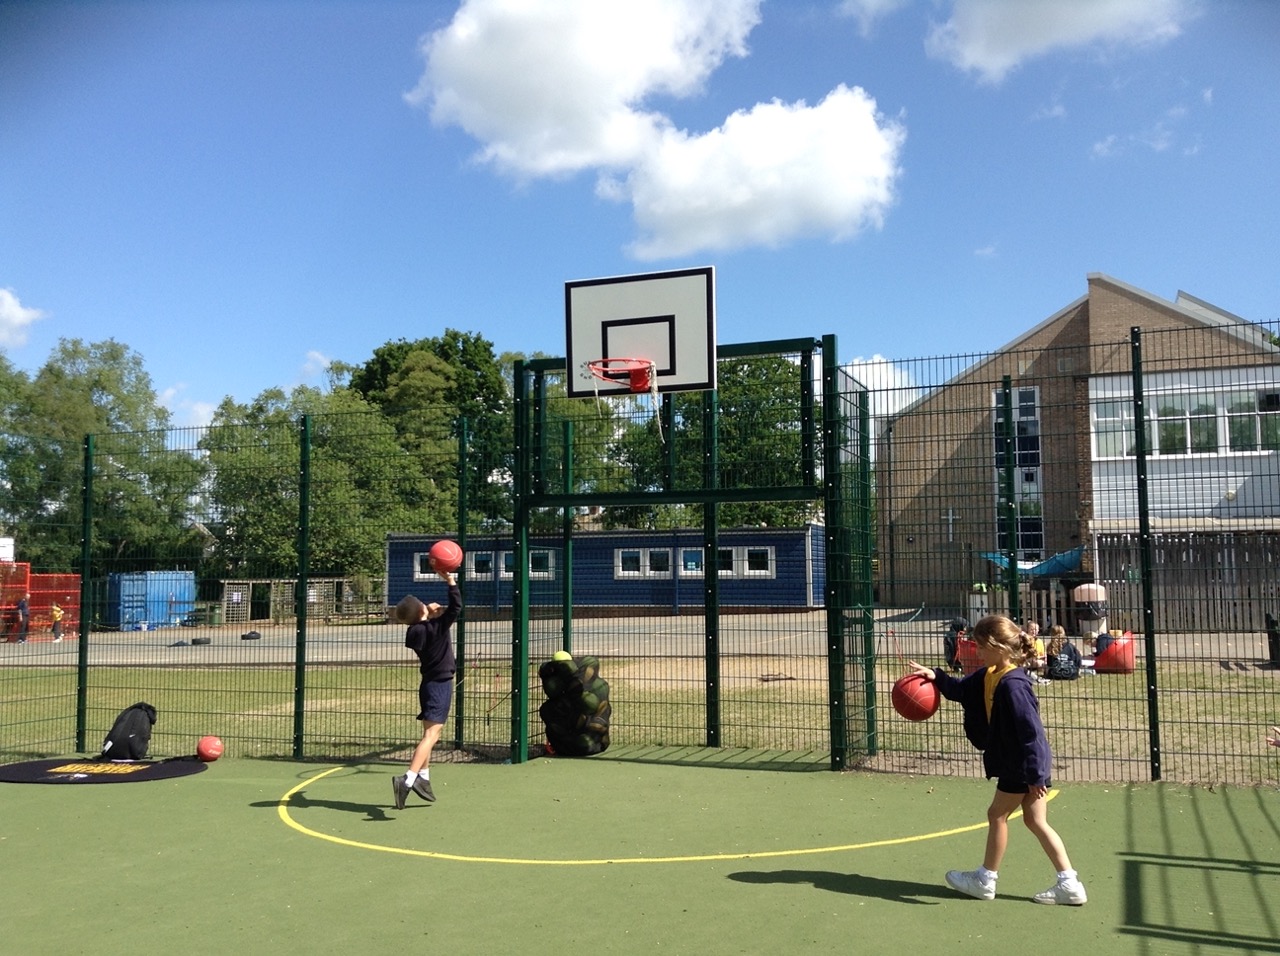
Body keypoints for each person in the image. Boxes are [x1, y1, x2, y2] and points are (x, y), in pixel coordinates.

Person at [908, 614, 1087, 905]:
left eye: (981, 646)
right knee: (1036, 821)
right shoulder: (989, 674)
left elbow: (1032, 733)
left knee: (997, 815)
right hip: (1027, 765)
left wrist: (1035, 775)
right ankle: (1070, 883)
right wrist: (936, 677)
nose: (977, 652)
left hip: (1022, 765)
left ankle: (985, 879)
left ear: (998, 647)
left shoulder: (1014, 685)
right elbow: (959, 690)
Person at [391, 563, 461, 810]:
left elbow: (425, 626)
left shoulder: (415, 631)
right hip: (440, 685)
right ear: (422, 609)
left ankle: (424, 777)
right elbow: (456, 607)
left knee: (429, 734)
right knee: (432, 735)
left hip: (428, 684)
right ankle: (408, 779)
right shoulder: (436, 627)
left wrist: (428, 615)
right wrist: (450, 581)